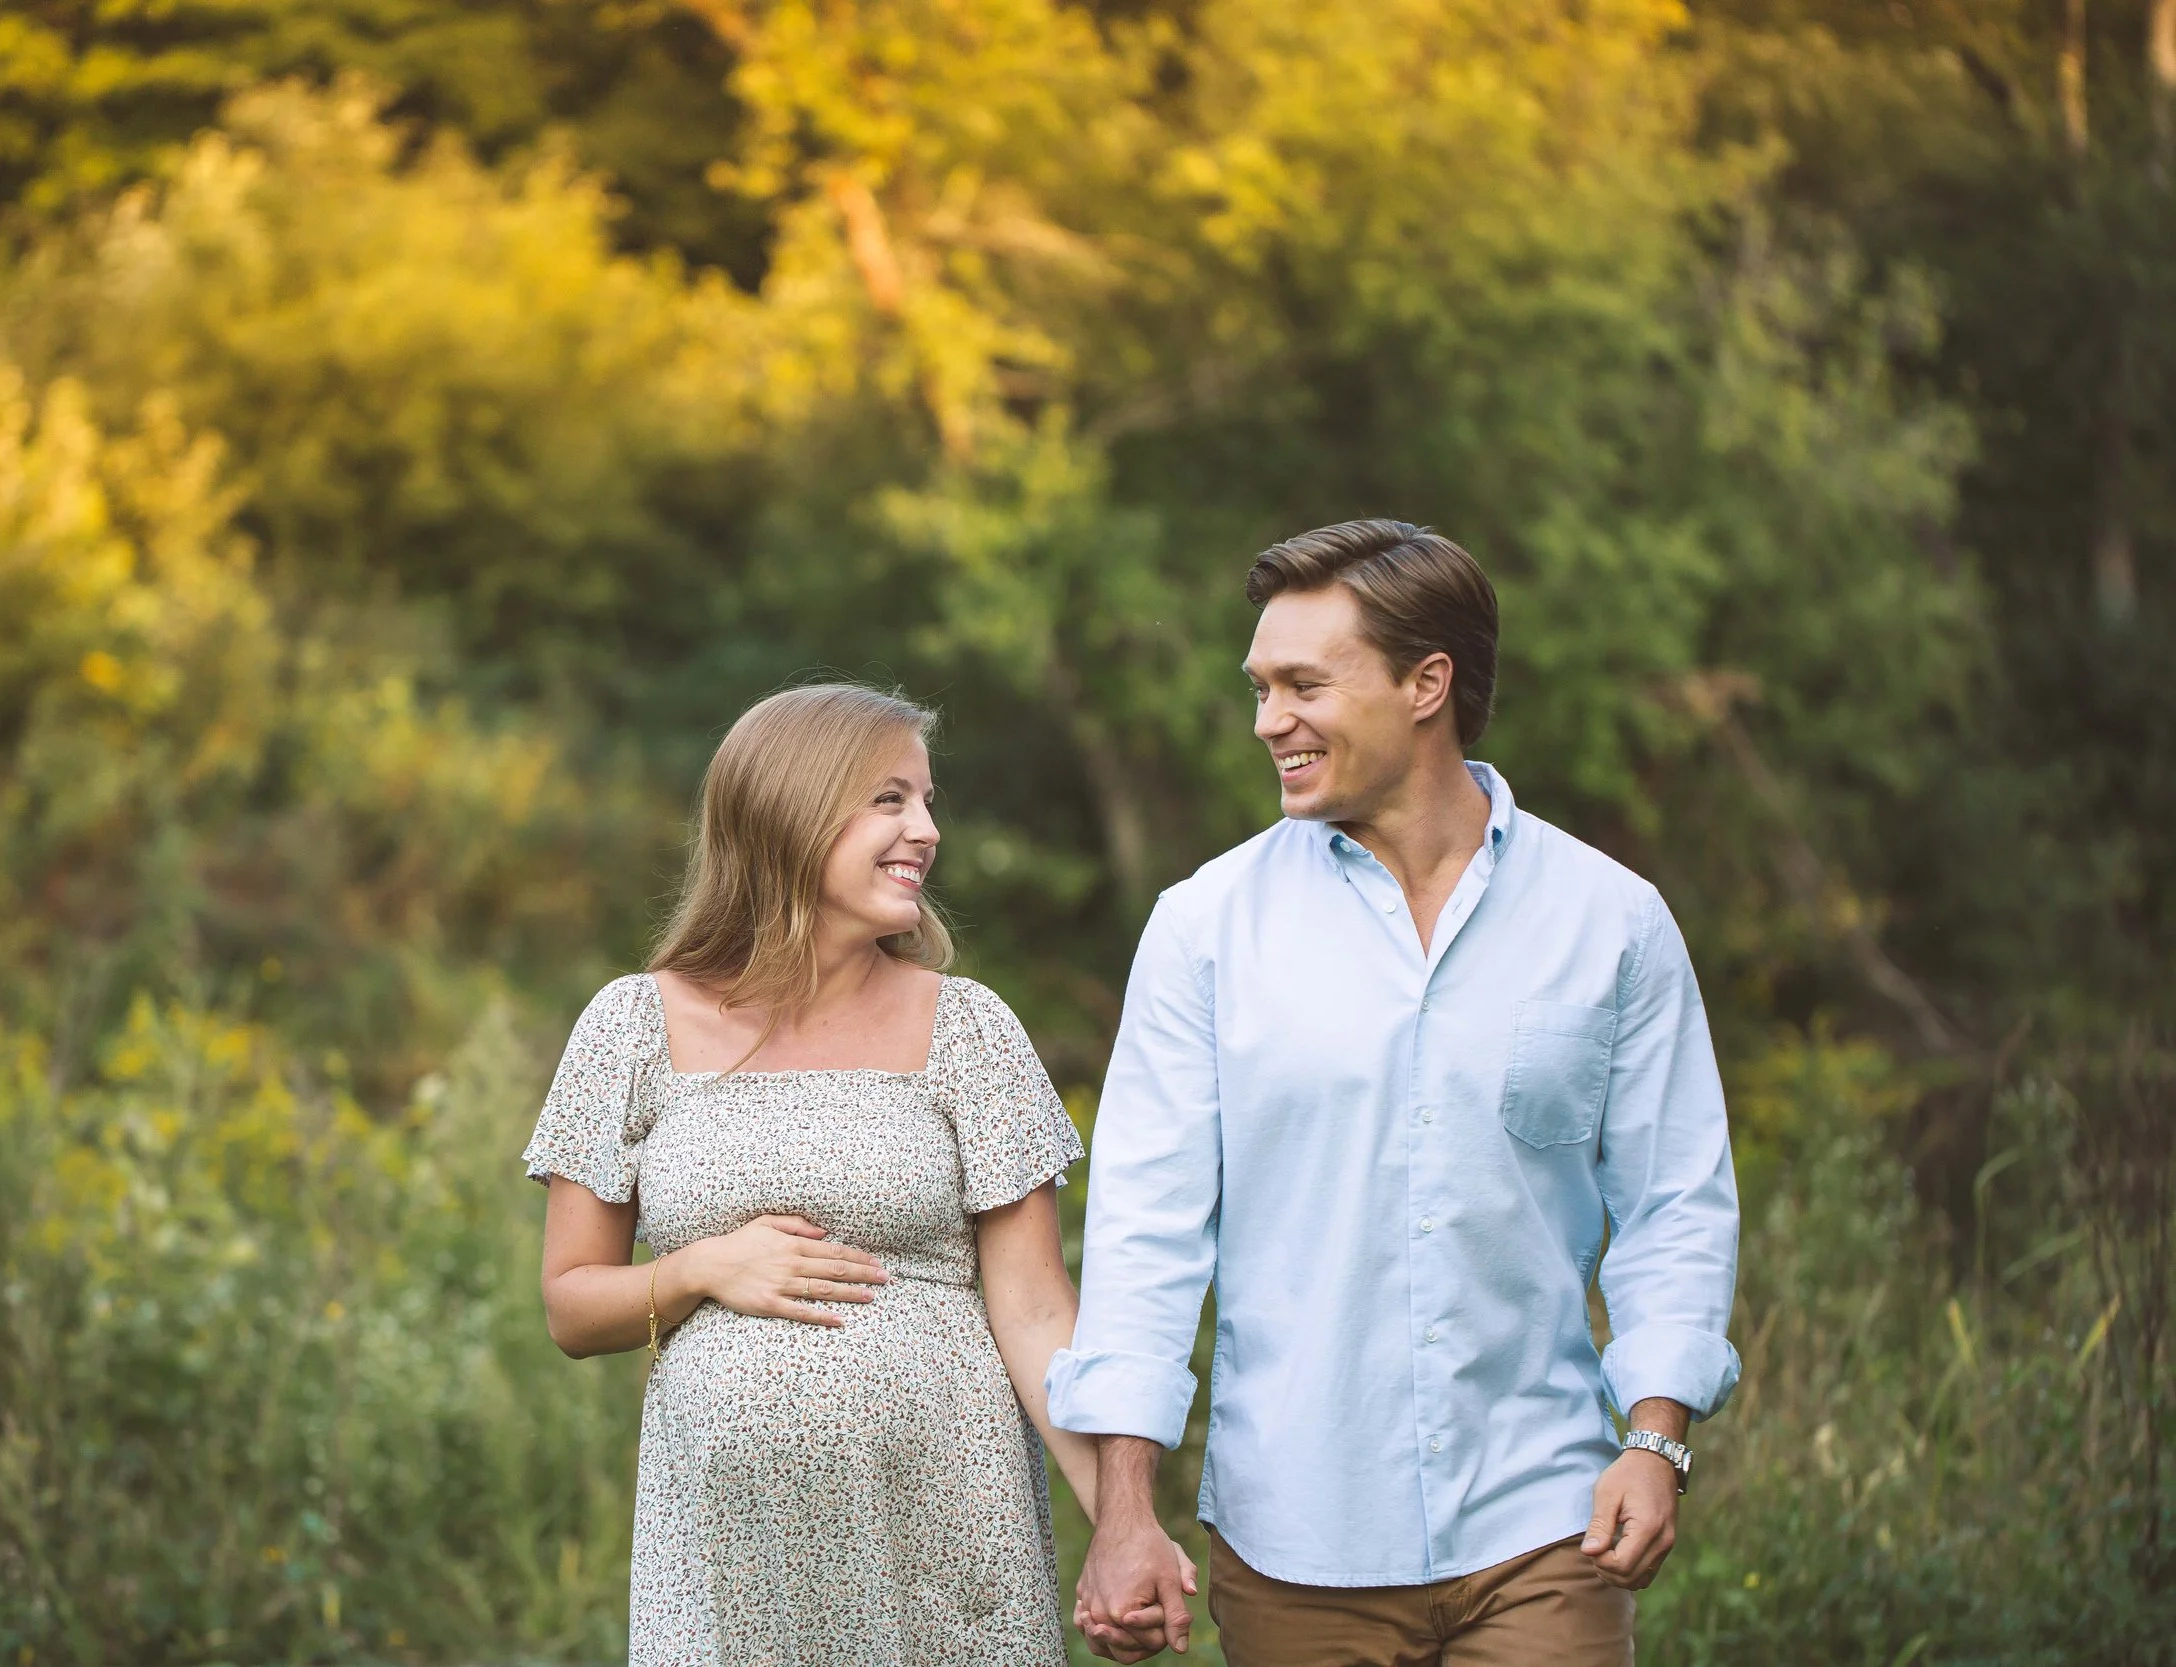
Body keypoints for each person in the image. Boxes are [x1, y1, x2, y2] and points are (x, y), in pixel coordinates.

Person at [1053, 522, 1742, 1666]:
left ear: (1427, 685)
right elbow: (1144, 1237)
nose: (1268, 718)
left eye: (1302, 684)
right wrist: (1125, 1509)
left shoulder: (1610, 920)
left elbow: (1676, 1201)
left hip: (1542, 1522)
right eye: (1261, 686)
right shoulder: (1204, 928)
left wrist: (1655, 1437)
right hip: (1293, 1538)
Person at [525, 682, 1186, 1666]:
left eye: (925, 801)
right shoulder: (632, 1025)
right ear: (790, 806)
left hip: (950, 1554)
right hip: (731, 1574)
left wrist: (1121, 1523)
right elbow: (572, 1306)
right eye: (889, 799)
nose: (924, 828)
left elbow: (1037, 1308)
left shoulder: (967, 1027)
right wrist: (701, 1268)